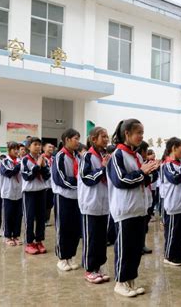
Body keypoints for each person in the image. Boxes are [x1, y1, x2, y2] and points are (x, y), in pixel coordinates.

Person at [107, 118, 157, 297]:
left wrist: (150, 171)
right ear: (127, 134)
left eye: (142, 133)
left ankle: (130, 281)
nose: (141, 136)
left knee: (135, 249)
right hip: (125, 209)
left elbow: (142, 179)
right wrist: (142, 172)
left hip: (139, 208)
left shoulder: (136, 155)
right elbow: (121, 180)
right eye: (138, 133)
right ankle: (120, 282)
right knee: (125, 248)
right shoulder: (117, 156)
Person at [78, 126, 111, 283]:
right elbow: (87, 178)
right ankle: (89, 269)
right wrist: (103, 168)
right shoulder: (87, 156)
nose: (106, 139)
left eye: (107, 136)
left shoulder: (104, 155)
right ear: (93, 139)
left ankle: (98, 266)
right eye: (103, 136)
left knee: (100, 238)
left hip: (103, 204)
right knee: (91, 238)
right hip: (90, 203)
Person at [52, 129, 82, 270]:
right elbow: (60, 179)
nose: (78, 141)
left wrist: (81, 184)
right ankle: (62, 258)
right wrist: (79, 184)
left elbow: (82, 174)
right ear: (67, 139)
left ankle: (71, 256)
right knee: (63, 227)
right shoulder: (60, 156)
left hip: (77, 197)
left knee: (75, 228)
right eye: (76, 138)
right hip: (63, 197)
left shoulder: (78, 156)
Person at [161, 137, 181, 267]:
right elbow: (176, 178)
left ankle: (179, 254)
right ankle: (169, 255)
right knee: (173, 233)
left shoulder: (179, 164)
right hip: (174, 204)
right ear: (174, 148)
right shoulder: (167, 165)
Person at [21, 137, 51, 254]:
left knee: (41, 218)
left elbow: (47, 176)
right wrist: (37, 166)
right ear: (29, 147)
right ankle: (29, 242)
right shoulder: (24, 160)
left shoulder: (44, 159)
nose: (38, 147)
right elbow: (27, 176)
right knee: (29, 217)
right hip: (29, 192)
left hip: (41, 191)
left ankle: (39, 240)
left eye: (39, 145)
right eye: (35, 144)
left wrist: (42, 166)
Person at [136, 141, 158, 255]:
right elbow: (144, 178)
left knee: (145, 223)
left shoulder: (146, 163)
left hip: (147, 195)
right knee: (140, 224)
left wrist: (154, 171)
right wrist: (149, 173)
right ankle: (138, 245)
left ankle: (142, 244)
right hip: (140, 196)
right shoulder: (139, 163)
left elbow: (152, 178)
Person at [0, 142, 23, 246]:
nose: (16, 151)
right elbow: (9, 173)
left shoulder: (21, 161)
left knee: (18, 215)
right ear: (9, 150)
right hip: (8, 192)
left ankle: (16, 235)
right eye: (14, 149)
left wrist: (19, 164)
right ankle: (8, 236)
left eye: (17, 149)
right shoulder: (4, 161)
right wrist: (18, 166)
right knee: (8, 215)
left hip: (19, 192)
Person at [42, 142, 55, 226]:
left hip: (52, 185)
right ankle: (41, 219)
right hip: (43, 185)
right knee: (43, 203)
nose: (51, 149)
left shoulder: (54, 159)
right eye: (49, 147)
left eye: (52, 147)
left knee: (50, 203)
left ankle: (46, 219)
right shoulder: (41, 158)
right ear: (44, 148)